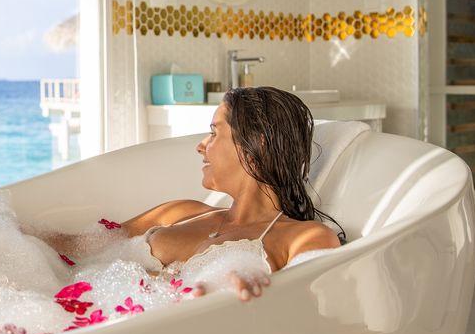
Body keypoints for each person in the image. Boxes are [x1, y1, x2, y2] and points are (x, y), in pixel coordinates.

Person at [113, 86, 343, 301]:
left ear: (256, 144)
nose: (200, 146)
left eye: (214, 133)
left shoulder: (304, 237)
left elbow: (307, 307)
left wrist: (258, 291)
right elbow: (95, 246)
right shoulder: (180, 211)